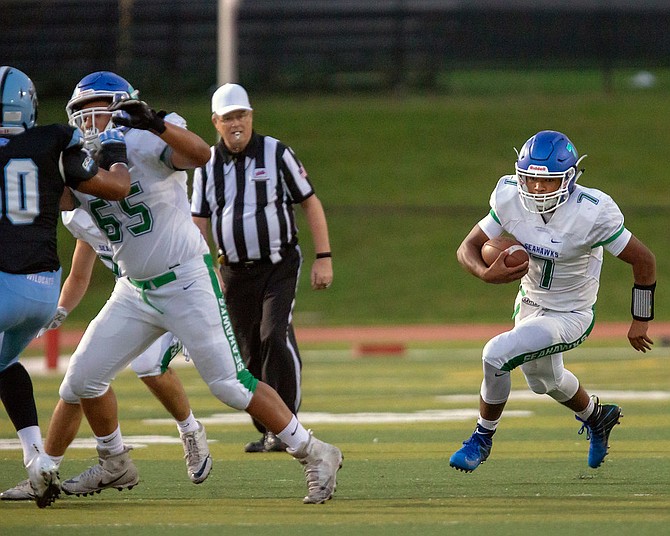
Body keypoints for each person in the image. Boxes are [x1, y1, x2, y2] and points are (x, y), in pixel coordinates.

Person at [49, 71, 342, 505]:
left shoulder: (149, 137)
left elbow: (202, 154)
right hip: (135, 289)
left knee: (230, 385)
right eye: (83, 114)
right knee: (81, 380)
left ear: (121, 107)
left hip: (185, 277)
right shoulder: (78, 161)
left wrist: (155, 121)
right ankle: (114, 462)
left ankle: (315, 452)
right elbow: (66, 209)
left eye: (98, 110)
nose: (90, 122)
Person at [450, 130, 656, 473]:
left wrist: (641, 318)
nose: (537, 189)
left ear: (571, 177)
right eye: (530, 180)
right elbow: (467, 248)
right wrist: (484, 274)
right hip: (530, 304)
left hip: (570, 313)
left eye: (548, 182)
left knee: (495, 354)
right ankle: (597, 417)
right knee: (544, 381)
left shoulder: (593, 212)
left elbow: (644, 260)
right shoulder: (508, 197)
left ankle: (481, 438)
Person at [0, 207, 212, 502]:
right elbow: (79, 275)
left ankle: (190, 430)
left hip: (171, 290)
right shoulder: (81, 214)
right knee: (76, 383)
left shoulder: (124, 197)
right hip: (129, 297)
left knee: (148, 364)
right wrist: (59, 310)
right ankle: (44, 471)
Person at [0, 66, 131, 508]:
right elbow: (99, 190)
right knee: (4, 363)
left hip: (2, 285)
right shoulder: (55, 140)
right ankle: (37, 458)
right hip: (42, 291)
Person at [191, 83, 333, 453]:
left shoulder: (276, 153)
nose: (236, 123)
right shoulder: (205, 164)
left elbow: (310, 202)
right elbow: (198, 224)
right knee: (246, 353)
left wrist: (324, 257)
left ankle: (289, 424)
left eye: (242, 115)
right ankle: (271, 427)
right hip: (234, 273)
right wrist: (207, 272)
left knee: (273, 333)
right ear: (215, 122)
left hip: (278, 265)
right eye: (228, 118)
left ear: (251, 117)